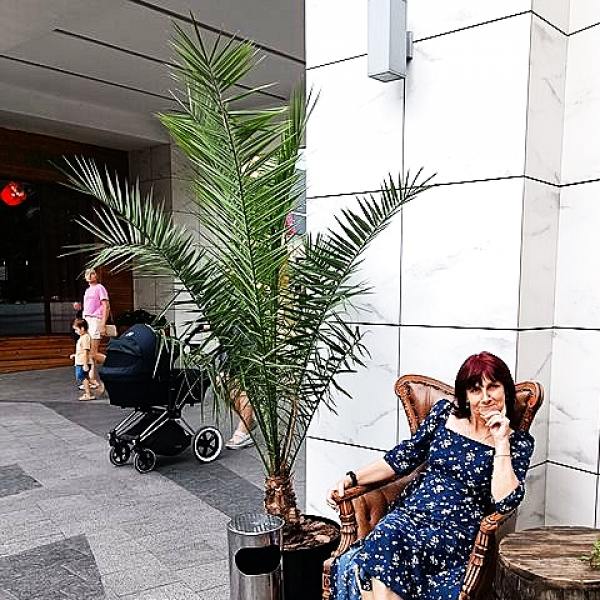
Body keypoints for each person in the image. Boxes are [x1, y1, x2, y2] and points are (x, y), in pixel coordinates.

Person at [326, 351, 534, 600]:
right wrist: (352, 477)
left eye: (493, 387)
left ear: (506, 390)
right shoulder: (444, 415)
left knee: (376, 567)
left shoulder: (517, 443)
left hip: (453, 532)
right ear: (465, 396)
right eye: (476, 390)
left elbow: (505, 501)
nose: (486, 397)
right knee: (388, 534)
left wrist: (501, 441)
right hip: (410, 515)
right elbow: (403, 456)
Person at [81, 268, 109, 390]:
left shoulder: (100, 288)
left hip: (95, 320)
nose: (90, 276)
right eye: (88, 274)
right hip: (87, 320)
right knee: (89, 354)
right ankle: (92, 379)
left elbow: (106, 306)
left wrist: (103, 323)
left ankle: (114, 362)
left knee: (93, 352)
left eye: (92, 273)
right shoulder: (88, 290)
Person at [70, 318, 94, 401]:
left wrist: (85, 364)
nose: (75, 332)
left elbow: (85, 352)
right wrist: (75, 355)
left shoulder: (85, 338)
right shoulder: (82, 337)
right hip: (81, 361)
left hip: (82, 363)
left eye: (76, 329)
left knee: (83, 378)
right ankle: (90, 390)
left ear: (82, 328)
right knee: (84, 377)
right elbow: (81, 351)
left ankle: (88, 394)